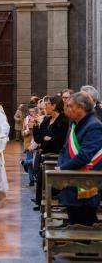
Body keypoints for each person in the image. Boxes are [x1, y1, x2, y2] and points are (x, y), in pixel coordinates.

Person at [57, 92, 102, 226]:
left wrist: (62, 169)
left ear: (81, 107)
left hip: (86, 183)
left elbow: (84, 156)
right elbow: (64, 149)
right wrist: (60, 166)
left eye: (71, 106)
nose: (67, 109)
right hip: (72, 181)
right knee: (73, 219)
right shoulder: (74, 124)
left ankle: (84, 245)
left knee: (84, 222)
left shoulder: (94, 126)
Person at [33, 95, 68, 210]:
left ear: (54, 106)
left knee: (53, 184)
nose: (45, 106)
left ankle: (53, 205)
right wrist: (43, 137)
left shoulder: (63, 120)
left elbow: (59, 140)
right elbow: (38, 138)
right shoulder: (47, 119)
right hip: (44, 155)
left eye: (47, 104)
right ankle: (41, 203)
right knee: (41, 180)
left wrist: (48, 139)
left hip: (56, 156)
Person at [21, 106, 37, 186]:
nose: (31, 113)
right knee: (30, 164)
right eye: (30, 111)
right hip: (28, 144)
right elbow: (22, 133)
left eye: (33, 111)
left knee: (35, 161)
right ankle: (31, 180)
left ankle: (24, 162)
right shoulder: (26, 120)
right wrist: (26, 132)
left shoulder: (38, 120)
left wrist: (32, 126)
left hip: (36, 144)